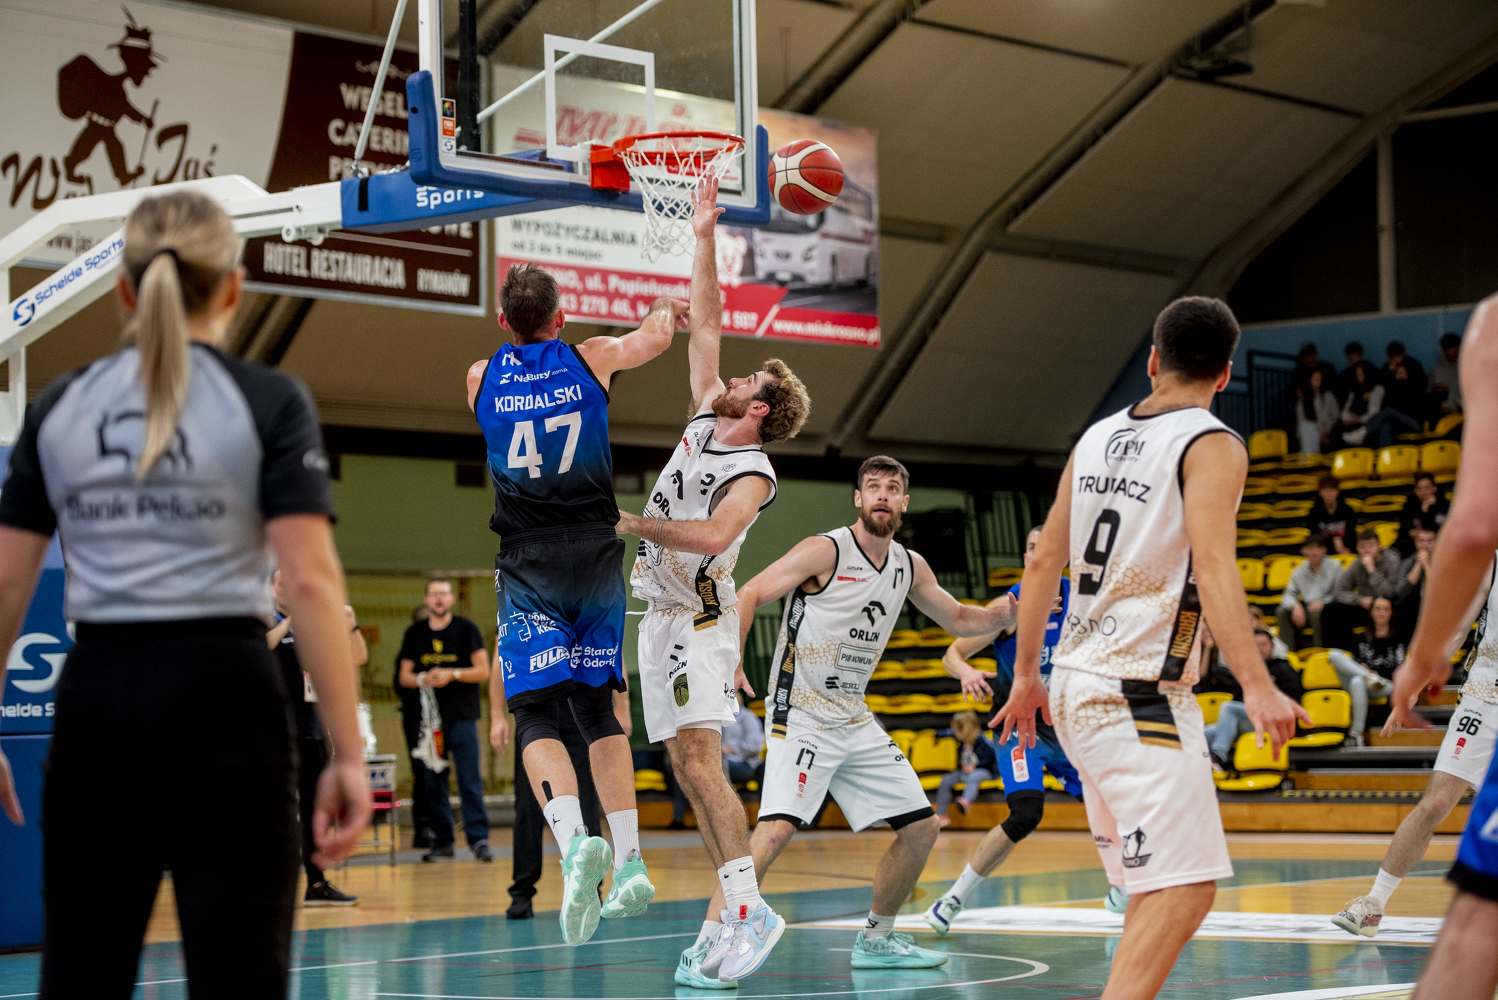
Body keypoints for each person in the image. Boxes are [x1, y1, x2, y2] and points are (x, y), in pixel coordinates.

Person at [0, 190, 370, 999]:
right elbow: (310, 582)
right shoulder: (269, 402)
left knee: (80, 978)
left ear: (124, 290)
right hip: (227, 702)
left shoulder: (59, 407)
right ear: (233, 287)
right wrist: (348, 753)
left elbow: (6, 581)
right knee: (241, 979)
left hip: (100, 701)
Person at [993, 295, 1306, 1000]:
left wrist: (1026, 676)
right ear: (1225, 373)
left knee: (1155, 885)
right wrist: (1257, 685)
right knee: (1188, 888)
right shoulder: (1211, 442)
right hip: (1137, 692)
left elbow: (1042, 564)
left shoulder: (1095, 438)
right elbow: (1215, 566)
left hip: (1074, 685)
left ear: (1154, 360)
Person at [671, 454, 1010, 986]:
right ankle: (703, 948)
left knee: (922, 828)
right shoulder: (825, 550)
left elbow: (963, 619)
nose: (881, 494)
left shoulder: (910, 566)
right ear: (858, 498)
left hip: (853, 716)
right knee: (775, 831)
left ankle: (877, 939)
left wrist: (1015, 607)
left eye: (892, 487)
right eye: (872, 486)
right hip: (801, 712)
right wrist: (734, 662)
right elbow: (750, 592)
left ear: (903, 502)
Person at [465, 196, 697, 943]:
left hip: (528, 559)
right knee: (599, 710)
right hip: (596, 553)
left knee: (535, 712)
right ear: (561, 319)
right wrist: (665, 308)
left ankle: (574, 846)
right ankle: (628, 860)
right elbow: (655, 338)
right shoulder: (591, 357)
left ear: (504, 320)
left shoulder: (480, 377)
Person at [615, 179, 812, 985]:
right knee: (685, 768)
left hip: (699, 617)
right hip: (658, 615)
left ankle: (751, 910)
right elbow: (707, 322)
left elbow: (713, 536)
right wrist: (702, 236)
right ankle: (734, 911)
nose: (733, 379)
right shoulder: (705, 412)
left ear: (760, 410)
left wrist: (632, 524)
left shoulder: (754, 472)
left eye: (749, 383)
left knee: (701, 763)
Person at [1371, 295, 1498, 1000]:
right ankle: (1373, 901)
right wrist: (1443, 645)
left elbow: (1471, 529)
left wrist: (1422, 658)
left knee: (1477, 919)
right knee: (1438, 801)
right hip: (1490, 685)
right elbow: (1476, 583)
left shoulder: (1491, 328)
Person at [927, 526, 1106, 934]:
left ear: (1063, 555)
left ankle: (1123, 885)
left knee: (1109, 801)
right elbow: (953, 653)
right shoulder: (1009, 606)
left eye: (1047, 547)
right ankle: (951, 899)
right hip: (1019, 730)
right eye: (1031, 547)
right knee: (1025, 813)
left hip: (1067, 730)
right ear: (1025, 557)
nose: (1038, 554)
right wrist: (966, 671)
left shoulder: (1083, 603)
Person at [1332, 557, 1496, 939]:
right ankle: (1373, 904)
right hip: (1485, 695)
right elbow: (1458, 627)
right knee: (1436, 803)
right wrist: (1415, 685)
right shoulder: (1490, 556)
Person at [488, 635, 622, 921]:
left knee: (585, 803)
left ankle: (591, 888)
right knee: (528, 808)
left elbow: (611, 646)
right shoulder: (520, 611)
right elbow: (500, 656)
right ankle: (522, 891)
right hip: (534, 710)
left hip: (578, 708)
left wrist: (621, 709)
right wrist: (496, 714)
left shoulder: (585, 608)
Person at [267, 571, 369, 906]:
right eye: (282, 583)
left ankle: (316, 883)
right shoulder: (265, 620)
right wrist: (291, 621)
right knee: (276, 810)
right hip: (278, 734)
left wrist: (350, 626)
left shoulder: (313, 625)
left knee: (314, 810)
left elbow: (357, 657)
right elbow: (262, 647)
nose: (289, 588)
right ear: (272, 589)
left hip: (312, 731)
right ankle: (270, 885)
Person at [398, 579, 493, 862]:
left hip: (463, 718)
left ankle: (479, 840)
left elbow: (483, 671)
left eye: (443, 593)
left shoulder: (467, 629)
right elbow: (404, 676)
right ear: (427, 600)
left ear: (451, 599)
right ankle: (442, 842)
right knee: (433, 782)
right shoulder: (415, 633)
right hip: (431, 724)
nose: (439, 598)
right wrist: (423, 678)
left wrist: (453, 674)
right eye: (434, 594)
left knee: (469, 780)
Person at [1204, 630, 1304, 770]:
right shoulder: (1246, 672)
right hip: (1249, 721)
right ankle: (1204, 767)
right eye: (1256, 645)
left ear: (1272, 646)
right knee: (1201, 733)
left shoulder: (1284, 669)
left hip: (1274, 722)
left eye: (1264, 644)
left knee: (1229, 707)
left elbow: (1293, 702)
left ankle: (1218, 755)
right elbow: (1238, 699)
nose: (1260, 648)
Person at [1328, 597, 1403, 747]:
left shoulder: (1397, 639)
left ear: (1391, 613)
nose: (1382, 613)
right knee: (1335, 655)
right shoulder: (1361, 638)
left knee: (1358, 680)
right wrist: (1367, 674)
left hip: (1386, 684)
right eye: (1378, 609)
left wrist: (1378, 674)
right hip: (1364, 682)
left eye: (1386, 609)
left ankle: (1356, 733)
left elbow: (1401, 670)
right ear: (1371, 612)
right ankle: (1368, 678)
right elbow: (1354, 665)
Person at [396, 604, 440, 848]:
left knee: (439, 770)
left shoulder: (443, 646)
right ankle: (423, 829)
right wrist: (422, 680)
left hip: (441, 720)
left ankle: (439, 826)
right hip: (417, 720)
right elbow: (400, 683)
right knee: (422, 772)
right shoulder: (410, 648)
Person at [1323, 530, 1401, 651]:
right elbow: (1339, 591)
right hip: (1365, 606)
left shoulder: (1392, 560)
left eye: (1371, 546)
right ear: (1357, 548)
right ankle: (1341, 651)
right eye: (1362, 547)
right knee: (1331, 609)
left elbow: (1390, 592)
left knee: (1401, 605)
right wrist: (1359, 600)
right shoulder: (1357, 563)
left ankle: (1396, 647)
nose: (1367, 550)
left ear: (1379, 545)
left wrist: (1372, 570)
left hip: (1386, 606)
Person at [933, 711, 999, 824]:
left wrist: (975, 766)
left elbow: (991, 757)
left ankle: (965, 801)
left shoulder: (982, 740)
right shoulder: (960, 738)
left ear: (966, 730)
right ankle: (942, 815)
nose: (954, 733)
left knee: (974, 777)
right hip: (964, 772)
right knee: (946, 780)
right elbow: (949, 732)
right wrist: (937, 734)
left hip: (984, 771)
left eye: (957, 731)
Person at [1276, 535, 1341, 649]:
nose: (1314, 552)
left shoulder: (1335, 566)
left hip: (1329, 607)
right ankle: (1288, 653)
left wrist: (1324, 602)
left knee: (1316, 613)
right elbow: (1288, 594)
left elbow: (1340, 592)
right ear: (1304, 551)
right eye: (1310, 548)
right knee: (1282, 611)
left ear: (1324, 550)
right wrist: (1295, 605)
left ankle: (1319, 651)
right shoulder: (1298, 571)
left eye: (1318, 548)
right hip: (1308, 607)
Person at [1368, 340, 1428, 448]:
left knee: (1388, 411)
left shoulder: (1414, 366)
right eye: (1392, 357)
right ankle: (1386, 455)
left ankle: (1364, 430)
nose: (1396, 360)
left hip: (1414, 420)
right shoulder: (1387, 370)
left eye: (1398, 356)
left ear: (1403, 355)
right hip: (1396, 421)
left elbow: (1421, 393)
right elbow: (1383, 391)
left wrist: (1407, 380)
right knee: (1386, 425)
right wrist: (1390, 374)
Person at [1396, 526, 1438, 640]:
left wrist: (1426, 565)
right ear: (1415, 543)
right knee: (1401, 605)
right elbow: (1401, 591)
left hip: (1438, 606)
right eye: (1421, 541)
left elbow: (1438, 591)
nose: (1425, 545)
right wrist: (1418, 565)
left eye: (1430, 541)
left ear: (1437, 542)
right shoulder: (1409, 562)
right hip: (1415, 608)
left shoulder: (1444, 561)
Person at [1331, 361, 1384, 448]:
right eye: (1357, 374)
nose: (1359, 376)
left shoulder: (1377, 389)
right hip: (1352, 422)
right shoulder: (1354, 390)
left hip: (1367, 422)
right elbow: (1345, 410)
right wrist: (1348, 418)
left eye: (1361, 373)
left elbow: (1375, 412)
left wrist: (1360, 419)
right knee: (1335, 431)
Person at [1398, 471, 1450, 557]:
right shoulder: (1410, 504)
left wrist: (1426, 512)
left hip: (1441, 546)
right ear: (1415, 490)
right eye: (1419, 488)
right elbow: (1405, 531)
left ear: (1434, 488)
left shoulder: (1444, 504)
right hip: (1412, 548)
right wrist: (1424, 510)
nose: (1423, 491)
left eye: (1426, 487)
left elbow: (1440, 531)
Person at [1307, 475, 1358, 555]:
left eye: (1332, 490)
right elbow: (1314, 536)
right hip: (1322, 553)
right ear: (1320, 492)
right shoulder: (1314, 512)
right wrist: (1332, 541)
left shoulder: (1348, 511)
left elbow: (1351, 534)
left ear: (1338, 491)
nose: (1329, 494)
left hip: (1346, 551)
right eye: (1325, 490)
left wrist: (1348, 549)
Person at [721, 693, 764, 787]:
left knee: (713, 767)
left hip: (746, 764)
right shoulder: (723, 718)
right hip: (726, 761)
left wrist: (732, 749)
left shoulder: (747, 717)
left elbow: (755, 745)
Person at [1295, 368, 1340, 455]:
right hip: (1310, 430)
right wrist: (1317, 429)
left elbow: (1336, 415)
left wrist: (1328, 428)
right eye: (1315, 378)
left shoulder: (1328, 395)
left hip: (1326, 429)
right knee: (1307, 428)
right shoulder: (1303, 400)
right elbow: (1301, 421)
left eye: (1320, 378)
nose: (1318, 380)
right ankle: (1310, 456)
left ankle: (1309, 457)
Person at [1429, 333, 1463, 416]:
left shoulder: (1465, 367)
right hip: (1441, 400)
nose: (1454, 351)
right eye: (1451, 348)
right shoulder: (1436, 370)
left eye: (1457, 348)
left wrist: (1450, 386)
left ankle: (1454, 405)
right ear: (1444, 350)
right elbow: (1429, 390)